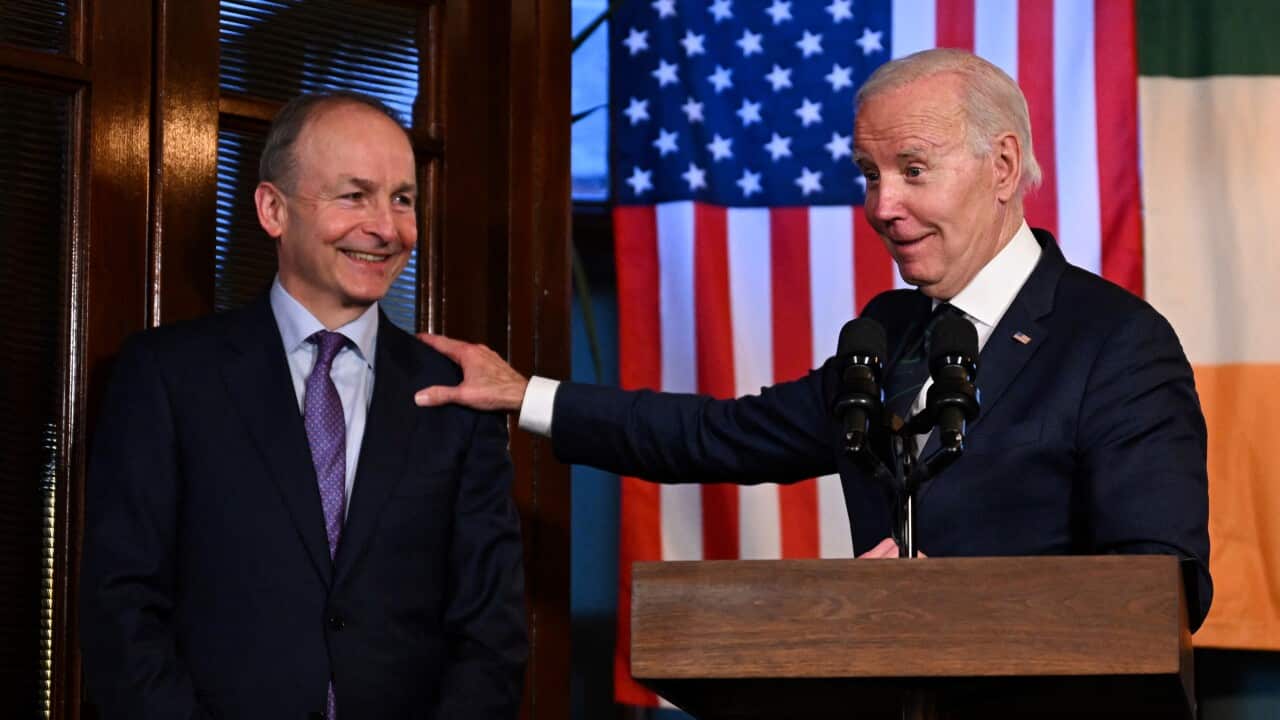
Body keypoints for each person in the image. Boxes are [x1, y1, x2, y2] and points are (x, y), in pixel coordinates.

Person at [414, 49, 1212, 627]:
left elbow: (1160, 591)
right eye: (869, 173)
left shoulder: (1116, 344)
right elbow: (717, 435)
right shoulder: (892, 334)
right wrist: (525, 395)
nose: (882, 206)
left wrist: (964, 607)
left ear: (1002, 166)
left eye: (912, 169)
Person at [81, 91, 527, 719]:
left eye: (402, 199)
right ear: (273, 209)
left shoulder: (456, 394)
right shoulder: (169, 376)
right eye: (355, 196)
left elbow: (492, 633)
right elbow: (121, 605)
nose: (387, 228)